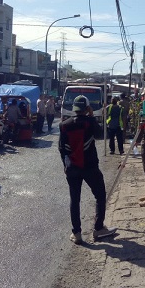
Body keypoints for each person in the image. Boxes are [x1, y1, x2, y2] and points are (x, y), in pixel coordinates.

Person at [59, 95, 117, 245]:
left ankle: (77, 233)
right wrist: (92, 116)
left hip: (72, 168)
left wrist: (66, 165)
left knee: (75, 199)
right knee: (100, 195)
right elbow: (101, 135)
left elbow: (61, 148)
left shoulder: (64, 125)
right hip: (90, 167)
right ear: (87, 108)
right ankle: (98, 229)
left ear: (74, 108)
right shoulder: (90, 123)